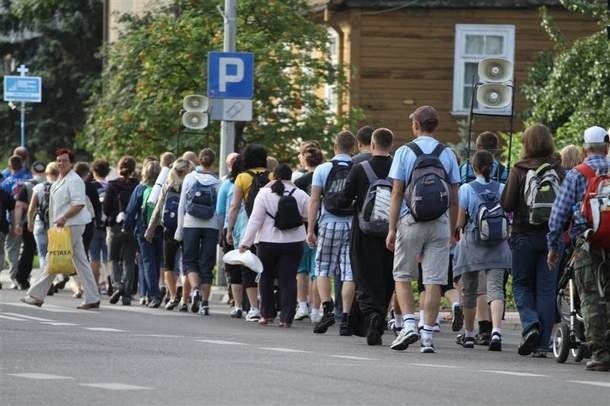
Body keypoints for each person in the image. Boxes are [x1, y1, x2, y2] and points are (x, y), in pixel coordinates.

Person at [386, 105, 460, 353]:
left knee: (402, 276)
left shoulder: (405, 152)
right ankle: (427, 334)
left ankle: (408, 324)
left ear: (416, 125)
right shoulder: (447, 153)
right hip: (439, 223)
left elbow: (396, 192)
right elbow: (454, 195)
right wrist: (451, 229)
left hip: (411, 220)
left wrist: (391, 227)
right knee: (434, 281)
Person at [547, 126, 610, 371]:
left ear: (585, 149)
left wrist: (553, 247)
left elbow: (558, 216)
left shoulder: (577, 174)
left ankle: (600, 354)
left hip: (588, 242)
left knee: (592, 298)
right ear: (606, 148)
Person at [501, 123, 563, 357]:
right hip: (551, 237)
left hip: (523, 235)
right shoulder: (558, 169)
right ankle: (543, 344)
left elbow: (506, 204)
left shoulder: (519, 169)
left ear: (526, 143)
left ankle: (530, 325)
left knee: (521, 284)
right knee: (547, 289)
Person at [21, 148, 101, 309]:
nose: (61, 163)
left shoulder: (75, 180)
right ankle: (93, 297)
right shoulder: (60, 180)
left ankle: (36, 295)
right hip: (66, 225)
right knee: (81, 262)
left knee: (53, 258)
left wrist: (64, 217)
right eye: (58, 160)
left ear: (71, 163)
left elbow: (79, 204)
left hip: (71, 224)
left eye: (65, 160)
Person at [339, 128, 395, 345]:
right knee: (386, 278)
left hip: (363, 232)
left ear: (372, 145)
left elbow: (344, 199)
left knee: (363, 277)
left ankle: (370, 315)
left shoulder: (359, 169)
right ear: (391, 145)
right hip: (391, 233)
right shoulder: (397, 168)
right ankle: (379, 319)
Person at [453, 150, 511, 351]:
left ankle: (469, 334)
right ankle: (496, 332)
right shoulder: (503, 188)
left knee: (470, 289)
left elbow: (460, 221)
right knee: (495, 289)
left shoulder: (466, 189)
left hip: (472, 244)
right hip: (498, 245)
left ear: (473, 168)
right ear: (493, 167)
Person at [239, 163, 310, 326]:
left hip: (267, 242)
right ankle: (286, 318)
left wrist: (245, 243)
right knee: (289, 280)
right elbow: (310, 214)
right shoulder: (300, 194)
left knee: (266, 278)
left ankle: (266, 314)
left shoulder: (264, 193)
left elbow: (255, 219)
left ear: (274, 176)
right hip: (293, 243)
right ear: (290, 176)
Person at [307, 130, 356, 336]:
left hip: (328, 223)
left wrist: (311, 228)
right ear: (353, 147)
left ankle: (326, 309)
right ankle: (345, 317)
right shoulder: (358, 168)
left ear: (335, 147)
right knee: (348, 272)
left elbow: (315, 200)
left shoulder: (323, 168)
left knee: (323, 267)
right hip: (352, 225)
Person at [226, 144, 271, 322]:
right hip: (269, 227)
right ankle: (267, 306)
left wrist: (229, 229)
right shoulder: (272, 175)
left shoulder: (242, 178)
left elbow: (235, 206)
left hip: (247, 225)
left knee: (248, 267)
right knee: (266, 268)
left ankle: (253, 307)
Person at [175, 148, 220, 316]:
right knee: (207, 265)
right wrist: (221, 232)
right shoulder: (217, 181)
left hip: (190, 223)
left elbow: (182, 204)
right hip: (211, 225)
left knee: (190, 261)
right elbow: (220, 210)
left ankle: (194, 290)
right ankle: (206, 304)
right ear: (213, 162)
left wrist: (179, 229)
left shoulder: (189, 177)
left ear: (199, 161)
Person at [145, 158, 193, 310]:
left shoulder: (168, 185)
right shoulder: (191, 185)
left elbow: (158, 208)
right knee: (187, 265)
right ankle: (185, 300)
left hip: (169, 228)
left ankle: (173, 297)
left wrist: (150, 229)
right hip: (188, 228)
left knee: (168, 265)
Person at [125, 159, 163, 307]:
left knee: (147, 262)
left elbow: (131, 210)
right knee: (156, 261)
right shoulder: (162, 188)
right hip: (160, 228)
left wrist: (127, 227)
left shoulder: (140, 188)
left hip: (143, 229)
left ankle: (154, 294)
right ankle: (148, 293)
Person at [294, 142, 324, 322]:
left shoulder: (299, 182)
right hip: (322, 227)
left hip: (302, 229)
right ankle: (315, 309)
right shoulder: (325, 177)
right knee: (317, 270)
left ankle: (302, 305)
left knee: (302, 269)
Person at [217, 154, 250, 318]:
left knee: (234, 269)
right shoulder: (253, 182)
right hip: (251, 230)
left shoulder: (226, 185)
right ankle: (251, 304)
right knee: (250, 268)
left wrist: (224, 231)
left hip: (230, 228)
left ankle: (237, 305)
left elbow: (220, 211)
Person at [105, 156, 139, 306]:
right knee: (129, 261)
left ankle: (117, 285)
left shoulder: (112, 185)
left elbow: (105, 207)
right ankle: (126, 294)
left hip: (115, 226)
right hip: (132, 226)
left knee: (114, 259)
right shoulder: (137, 185)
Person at [13, 161, 47, 289]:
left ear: (32, 171)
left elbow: (19, 206)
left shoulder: (26, 185)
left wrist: (17, 224)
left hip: (30, 222)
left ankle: (22, 277)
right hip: (49, 222)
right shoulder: (51, 184)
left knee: (28, 250)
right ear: (44, 172)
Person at [1, 155, 32, 289]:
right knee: (28, 249)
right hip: (30, 216)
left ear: (9, 167)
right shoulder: (28, 179)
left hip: (13, 217)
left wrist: (13, 223)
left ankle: (15, 276)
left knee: (12, 249)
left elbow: (10, 204)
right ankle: (25, 275)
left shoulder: (6, 182)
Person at [25, 163, 58, 279]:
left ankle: (45, 281)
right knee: (55, 253)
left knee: (43, 254)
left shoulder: (39, 187)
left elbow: (31, 209)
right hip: (56, 224)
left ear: (46, 173)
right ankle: (57, 278)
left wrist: (30, 222)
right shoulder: (61, 186)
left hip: (40, 223)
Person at [90, 158, 112, 294]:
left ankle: (95, 285)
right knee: (108, 257)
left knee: (94, 257)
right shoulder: (111, 186)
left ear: (93, 171)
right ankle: (109, 280)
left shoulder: (92, 187)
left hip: (94, 225)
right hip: (109, 226)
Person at [0, 184, 17, 290]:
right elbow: (13, 209)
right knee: (0, 252)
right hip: (1, 227)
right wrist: (14, 224)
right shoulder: (3, 193)